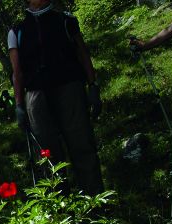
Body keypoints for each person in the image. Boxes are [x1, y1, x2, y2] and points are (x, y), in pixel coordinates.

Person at [9, 0, 104, 195]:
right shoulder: (16, 31)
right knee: (47, 154)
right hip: (36, 95)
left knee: (81, 144)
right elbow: (17, 72)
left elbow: (82, 53)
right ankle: (61, 208)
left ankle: (95, 203)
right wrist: (19, 104)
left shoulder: (65, 21)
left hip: (70, 89)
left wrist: (92, 85)